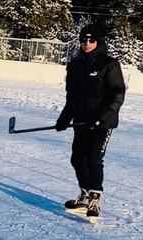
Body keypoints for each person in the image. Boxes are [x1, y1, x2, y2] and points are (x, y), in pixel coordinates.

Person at [55, 24, 126, 222]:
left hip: (102, 122)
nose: (87, 44)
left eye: (91, 40)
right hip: (81, 121)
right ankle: (85, 196)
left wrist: (101, 117)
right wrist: (63, 119)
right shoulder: (75, 64)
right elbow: (72, 97)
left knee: (93, 158)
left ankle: (95, 199)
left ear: (98, 42)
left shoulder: (109, 64)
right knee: (77, 159)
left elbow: (117, 95)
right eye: (83, 40)